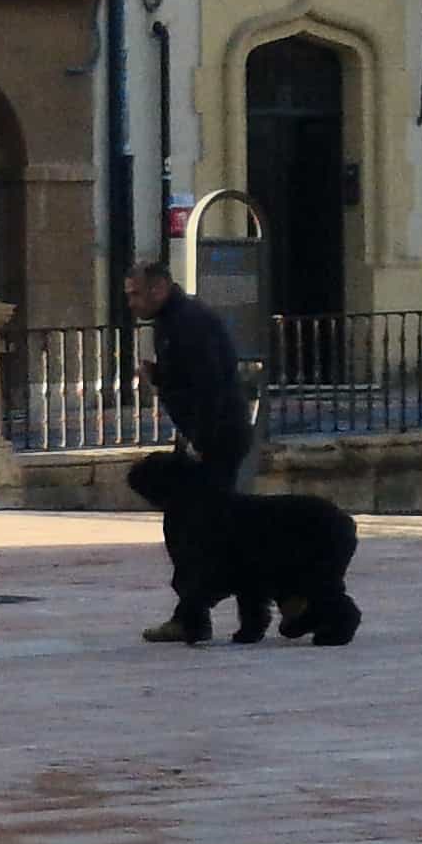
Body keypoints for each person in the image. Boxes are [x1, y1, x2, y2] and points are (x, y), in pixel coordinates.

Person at [122, 253, 251, 647]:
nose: (132, 303)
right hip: (207, 436)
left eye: (137, 294)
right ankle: (193, 612)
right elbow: (190, 378)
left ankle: (195, 614)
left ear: (160, 288)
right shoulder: (172, 321)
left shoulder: (188, 322)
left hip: (216, 439)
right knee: (194, 526)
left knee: (195, 528)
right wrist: (159, 376)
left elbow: (211, 384)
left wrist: (198, 439)